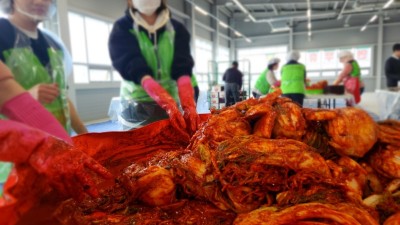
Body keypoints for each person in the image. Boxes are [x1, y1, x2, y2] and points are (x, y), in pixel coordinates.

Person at [0, 61, 112, 199]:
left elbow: (4, 88)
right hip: (13, 156)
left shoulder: (52, 47)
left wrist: (63, 147)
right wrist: (31, 143)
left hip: (47, 138)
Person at [108, 0, 198, 136]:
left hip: (173, 103)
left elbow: (182, 65)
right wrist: (151, 86)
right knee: (138, 150)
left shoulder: (177, 29)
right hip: (136, 106)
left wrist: (187, 98)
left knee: (175, 150)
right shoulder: (122, 28)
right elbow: (130, 63)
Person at [0, 0, 87, 135]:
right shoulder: (3, 34)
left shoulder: (54, 45)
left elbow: (62, 97)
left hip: (59, 145)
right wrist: (25, 99)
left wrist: (85, 134)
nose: (40, 1)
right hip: (18, 146)